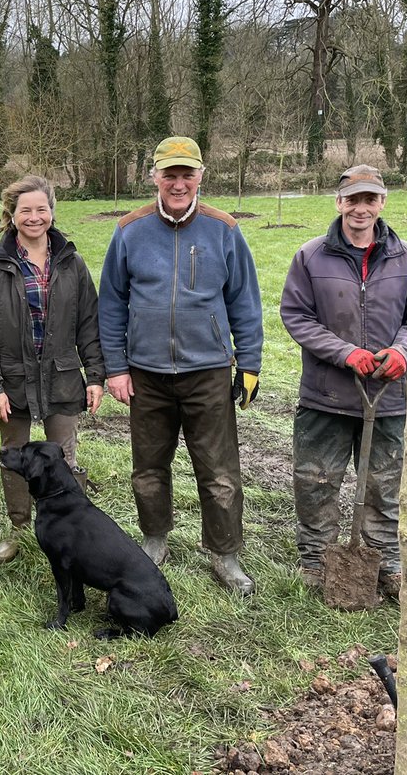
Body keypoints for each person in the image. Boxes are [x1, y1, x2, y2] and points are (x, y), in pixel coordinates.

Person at [98, 136, 263, 595]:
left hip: (208, 371)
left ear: (200, 177)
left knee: (219, 471)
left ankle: (225, 554)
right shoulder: (130, 230)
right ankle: (154, 541)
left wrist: (248, 363)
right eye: (169, 173)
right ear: (153, 176)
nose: (178, 183)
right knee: (148, 467)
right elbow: (111, 303)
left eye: (186, 173)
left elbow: (245, 302)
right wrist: (116, 366)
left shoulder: (224, 230)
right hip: (146, 373)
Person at [280, 164, 407, 599]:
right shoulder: (311, 256)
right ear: (339, 203)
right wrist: (345, 352)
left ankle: (383, 560)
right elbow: (295, 316)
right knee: (315, 481)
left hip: (386, 399)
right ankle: (315, 559)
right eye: (353, 199)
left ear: (382, 203)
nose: (361, 208)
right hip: (325, 396)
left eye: (370, 199)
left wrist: (402, 351)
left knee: (385, 486)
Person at [0, 175, 105, 563]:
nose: (34, 217)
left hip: (62, 378)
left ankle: (71, 529)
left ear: (52, 212)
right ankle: (19, 531)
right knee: (14, 454)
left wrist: (95, 376)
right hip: (12, 382)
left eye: (41, 209)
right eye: (25, 210)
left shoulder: (72, 263)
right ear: (10, 215)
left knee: (64, 455)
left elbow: (88, 325)